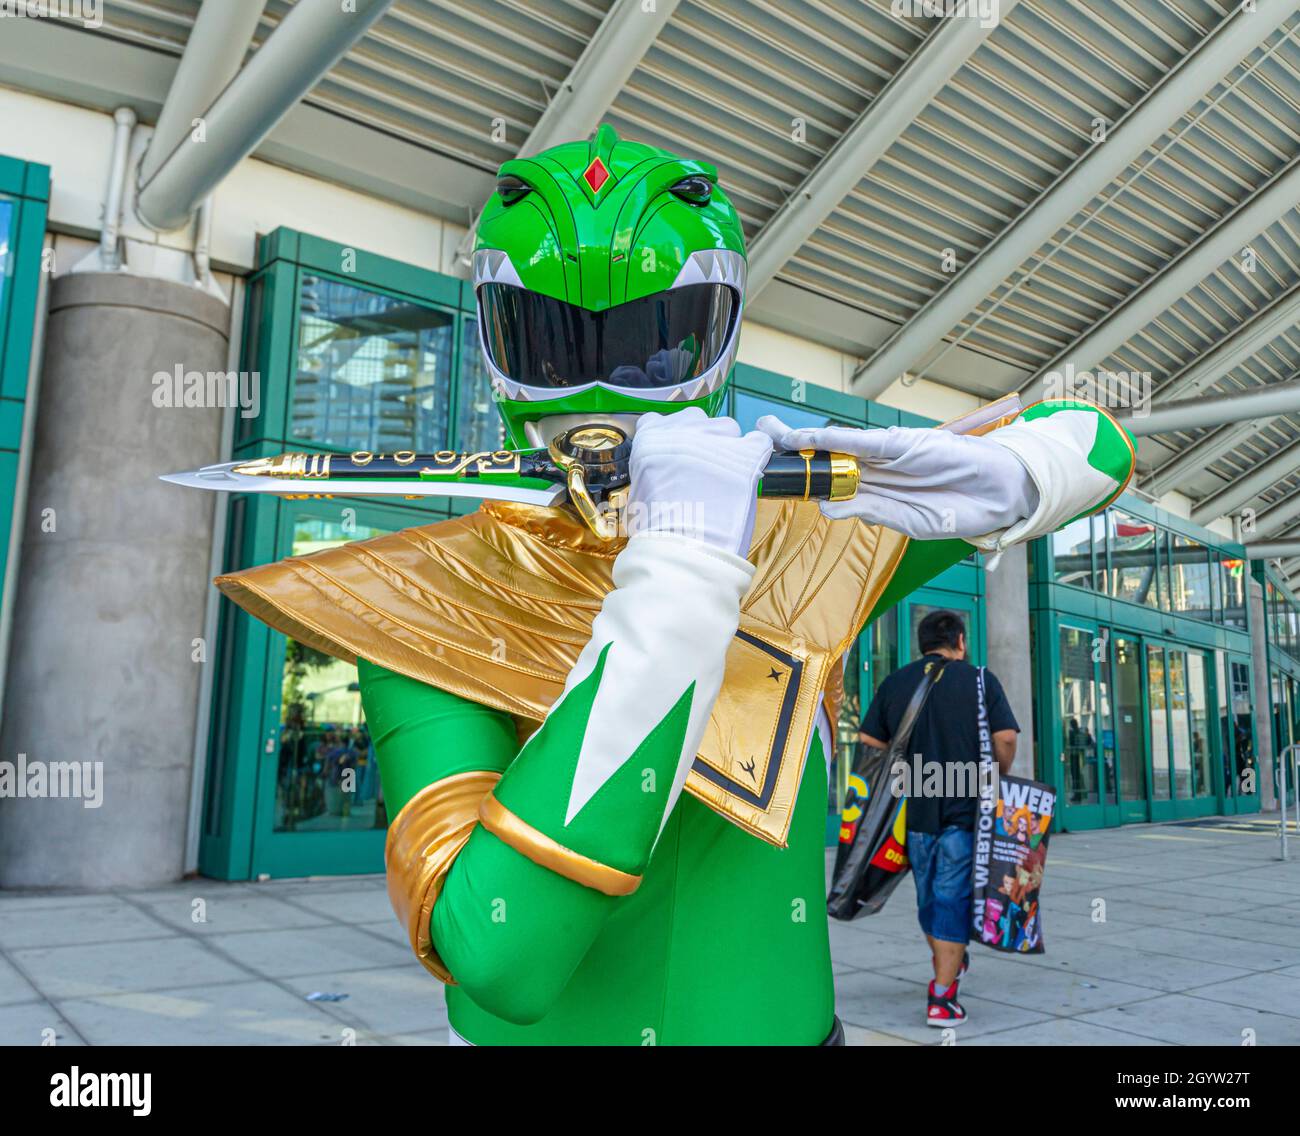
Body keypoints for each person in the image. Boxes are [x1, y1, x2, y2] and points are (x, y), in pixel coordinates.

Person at [210, 125, 1136, 1045]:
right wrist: (683, 578)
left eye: (654, 343)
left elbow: (1100, 440)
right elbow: (497, 959)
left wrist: (1006, 474)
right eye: (556, 341)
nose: (604, 386)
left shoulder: (804, 542)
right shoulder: (422, 595)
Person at [860, 610, 1019, 1028]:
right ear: (960, 641)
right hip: (966, 812)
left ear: (922, 644)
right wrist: (995, 767)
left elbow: (869, 742)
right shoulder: (980, 680)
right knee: (949, 902)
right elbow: (1005, 739)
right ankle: (942, 1000)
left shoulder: (897, 682)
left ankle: (949, 965)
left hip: (916, 813)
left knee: (930, 899)